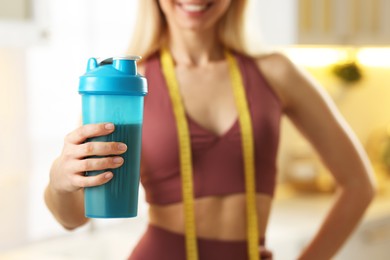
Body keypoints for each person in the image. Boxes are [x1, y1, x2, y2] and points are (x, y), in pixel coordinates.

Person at [44, 1, 376, 259]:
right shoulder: (129, 85)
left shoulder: (276, 72)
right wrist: (61, 181)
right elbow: (73, 219)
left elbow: (359, 184)